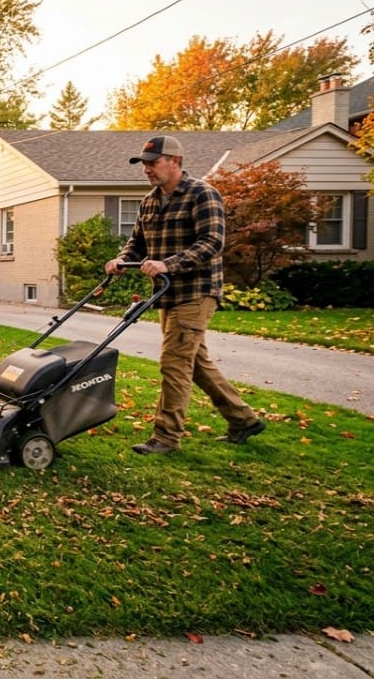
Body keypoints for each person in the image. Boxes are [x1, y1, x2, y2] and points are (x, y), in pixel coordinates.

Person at [105, 135, 264, 455]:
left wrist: (167, 264)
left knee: (174, 363)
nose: (147, 169)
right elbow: (137, 242)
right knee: (195, 362)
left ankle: (166, 437)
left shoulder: (203, 194)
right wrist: (122, 259)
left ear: (175, 162)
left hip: (197, 291)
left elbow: (211, 243)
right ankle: (243, 419)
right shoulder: (150, 201)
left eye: (153, 163)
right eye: (144, 164)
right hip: (167, 293)